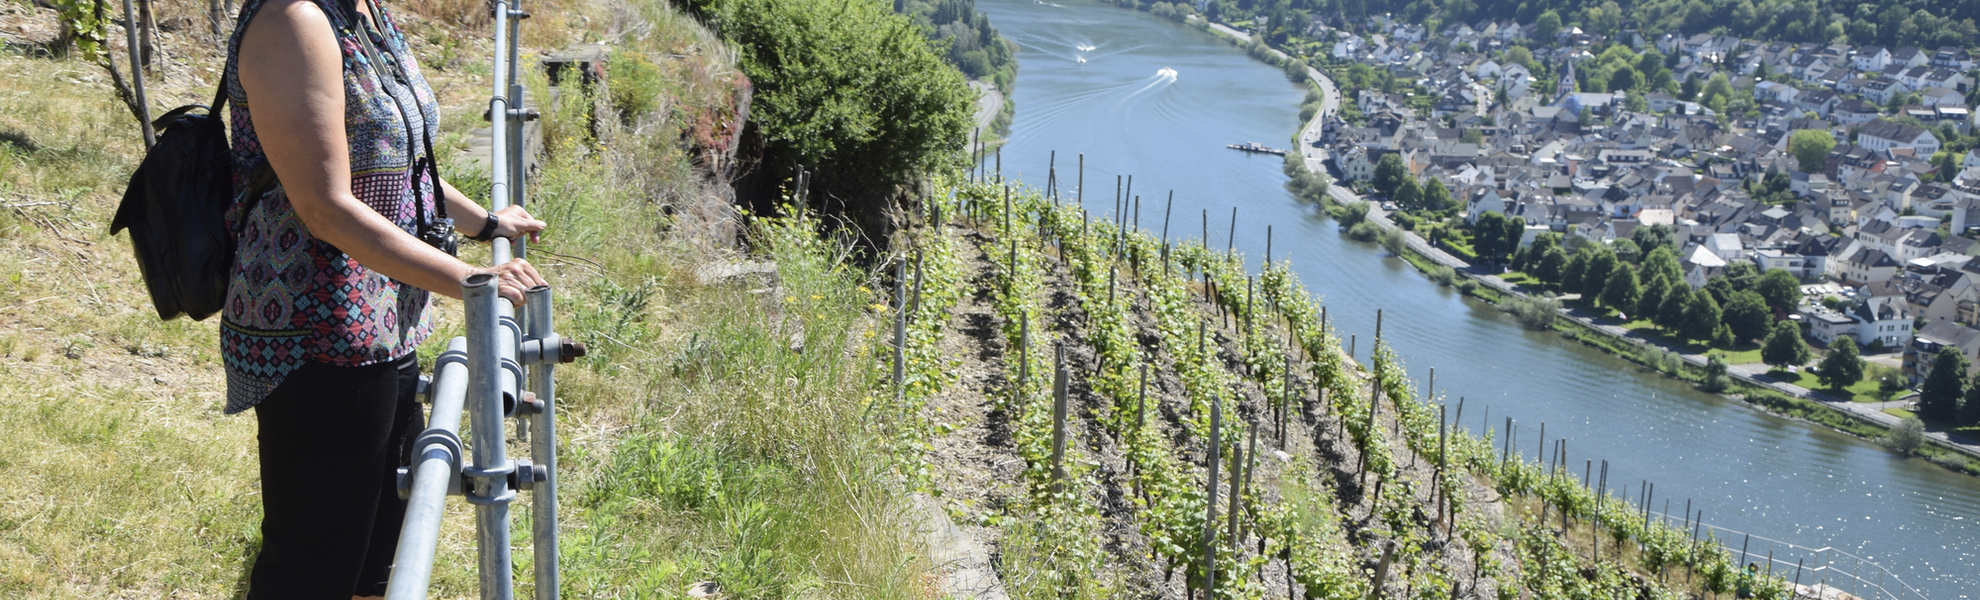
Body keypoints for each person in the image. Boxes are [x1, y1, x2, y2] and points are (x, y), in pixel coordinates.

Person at [223, 0, 547, 596]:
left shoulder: (361, 12)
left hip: (382, 319)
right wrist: (470, 281)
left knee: (380, 551)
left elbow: (397, 161)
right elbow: (326, 206)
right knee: (312, 563)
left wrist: (484, 224)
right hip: (315, 330)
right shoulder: (293, 24)